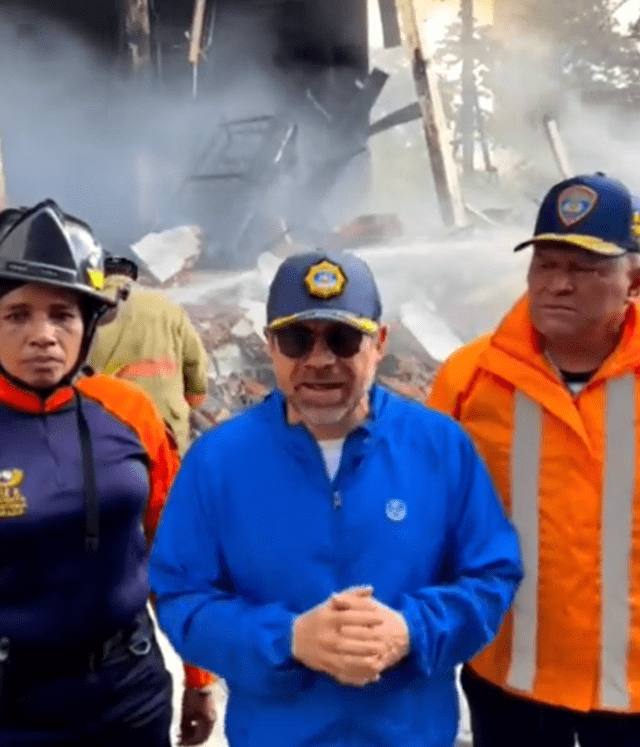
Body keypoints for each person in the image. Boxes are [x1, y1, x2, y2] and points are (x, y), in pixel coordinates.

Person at [148, 249, 522, 747]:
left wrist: (411, 630)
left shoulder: (440, 446)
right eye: (297, 339)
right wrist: (289, 639)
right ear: (270, 346)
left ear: (380, 342)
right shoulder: (218, 462)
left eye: (343, 339)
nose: (320, 359)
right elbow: (181, 599)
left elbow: (492, 576)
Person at [428, 173, 640, 747]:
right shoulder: (470, 380)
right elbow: (429, 520)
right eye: (546, 264)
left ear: (633, 280)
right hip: (510, 686)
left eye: (587, 269)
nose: (559, 285)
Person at [0, 200, 215, 746]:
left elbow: (171, 547)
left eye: (63, 313)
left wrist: (198, 679)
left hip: (129, 693)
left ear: (90, 323)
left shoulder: (128, 411)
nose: (44, 334)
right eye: (17, 314)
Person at [87, 254, 209, 456]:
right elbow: (195, 363)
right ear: (133, 277)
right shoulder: (169, 308)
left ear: (101, 275)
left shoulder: (88, 309)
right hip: (167, 431)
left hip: (108, 429)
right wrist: (187, 408)